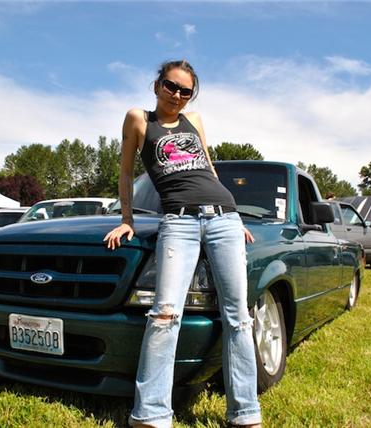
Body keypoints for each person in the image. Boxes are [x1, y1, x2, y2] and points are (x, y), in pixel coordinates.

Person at [103, 60, 262, 428]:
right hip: (179, 220)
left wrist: (235, 217)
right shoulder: (139, 119)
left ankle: (245, 413)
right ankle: (151, 414)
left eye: (185, 91)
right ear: (157, 85)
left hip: (223, 217)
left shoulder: (196, 121)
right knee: (164, 315)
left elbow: (210, 169)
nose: (177, 95)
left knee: (239, 317)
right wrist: (126, 220)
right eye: (170, 86)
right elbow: (125, 172)